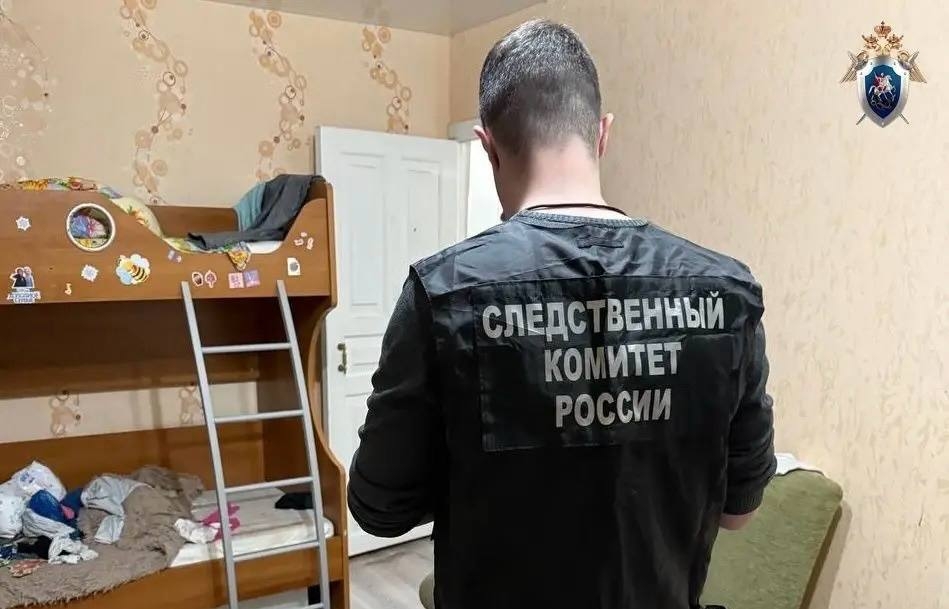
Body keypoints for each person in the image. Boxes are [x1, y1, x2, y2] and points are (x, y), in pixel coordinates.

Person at [348, 19, 776, 609]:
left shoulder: (443, 294)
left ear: (489, 147)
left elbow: (379, 509)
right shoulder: (727, 293)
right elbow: (739, 511)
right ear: (602, 135)